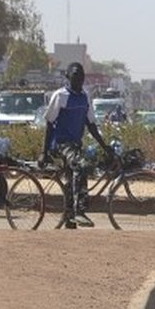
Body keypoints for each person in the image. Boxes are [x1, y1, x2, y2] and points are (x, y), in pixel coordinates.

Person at [41, 62, 115, 229]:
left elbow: (91, 124)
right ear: (68, 77)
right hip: (61, 144)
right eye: (75, 77)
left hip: (75, 144)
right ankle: (79, 211)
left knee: (71, 181)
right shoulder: (60, 96)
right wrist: (43, 152)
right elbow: (49, 124)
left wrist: (105, 146)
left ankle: (69, 219)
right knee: (81, 166)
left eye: (81, 77)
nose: (79, 80)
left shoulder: (85, 97)